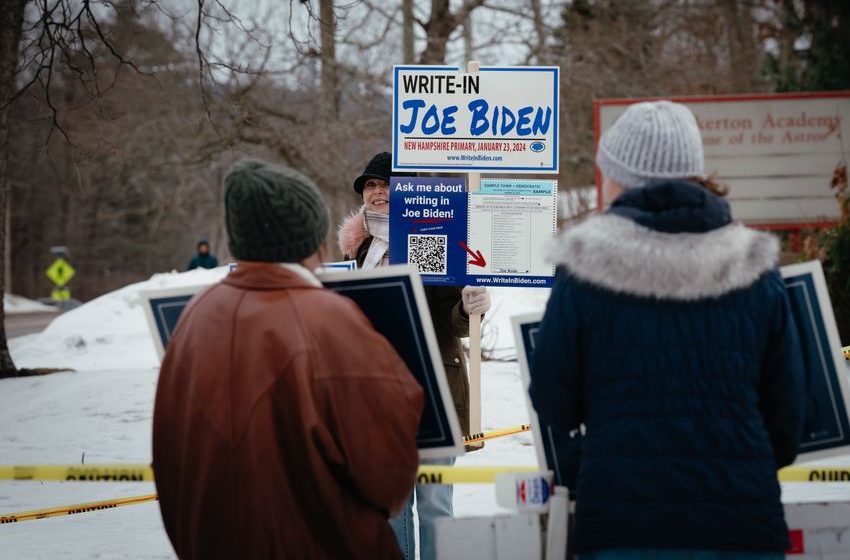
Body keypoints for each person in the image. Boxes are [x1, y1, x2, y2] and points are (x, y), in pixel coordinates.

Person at [529, 101, 805, 559]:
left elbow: (553, 398)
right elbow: (788, 418)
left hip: (622, 525)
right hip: (742, 525)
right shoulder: (755, 263)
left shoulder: (584, 264)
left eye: (608, 172)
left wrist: (594, 460)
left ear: (623, 177)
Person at [153, 160, 424, 559]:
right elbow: (390, 475)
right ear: (312, 240)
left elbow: (171, 462)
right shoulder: (328, 319)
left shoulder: (192, 317)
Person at [338, 151, 491, 560]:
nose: (375, 192)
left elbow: (452, 321)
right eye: (370, 185)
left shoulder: (430, 236)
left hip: (432, 389)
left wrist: (468, 308)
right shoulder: (362, 251)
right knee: (393, 507)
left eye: (384, 184)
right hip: (377, 393)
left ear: (408, 191)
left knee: (435, 503)